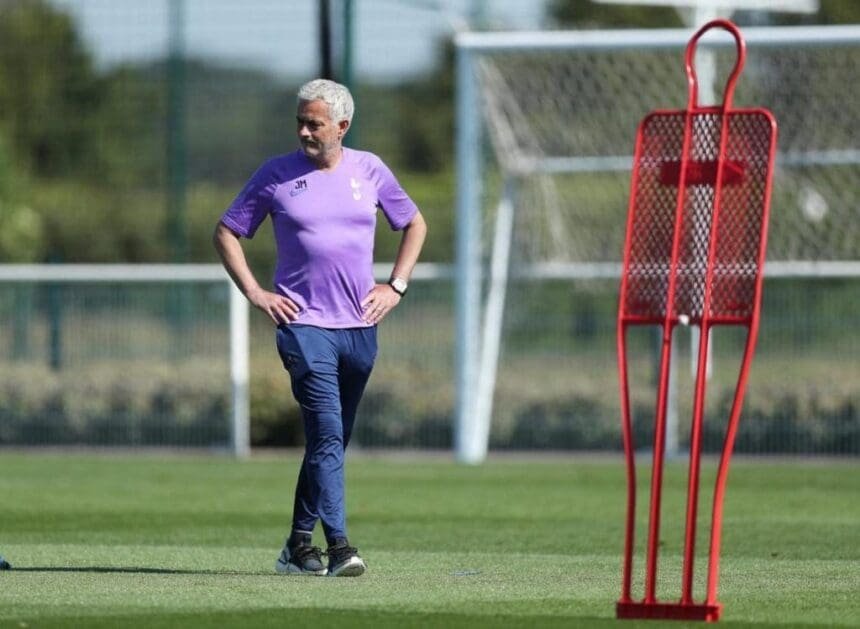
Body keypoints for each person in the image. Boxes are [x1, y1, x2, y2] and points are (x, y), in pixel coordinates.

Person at [213, 78, 427, 577]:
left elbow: (414, 223)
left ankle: (295, 546)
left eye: (315, 123)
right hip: (303, 326)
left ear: (342, 126)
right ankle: (340, 548)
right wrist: (256, 293)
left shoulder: (370, 170)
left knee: (330, 442)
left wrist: (395, 286)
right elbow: (227, 230)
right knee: (328, 434)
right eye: (300, 122)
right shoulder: (275, 175)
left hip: (360, 327)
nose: (305, 131)